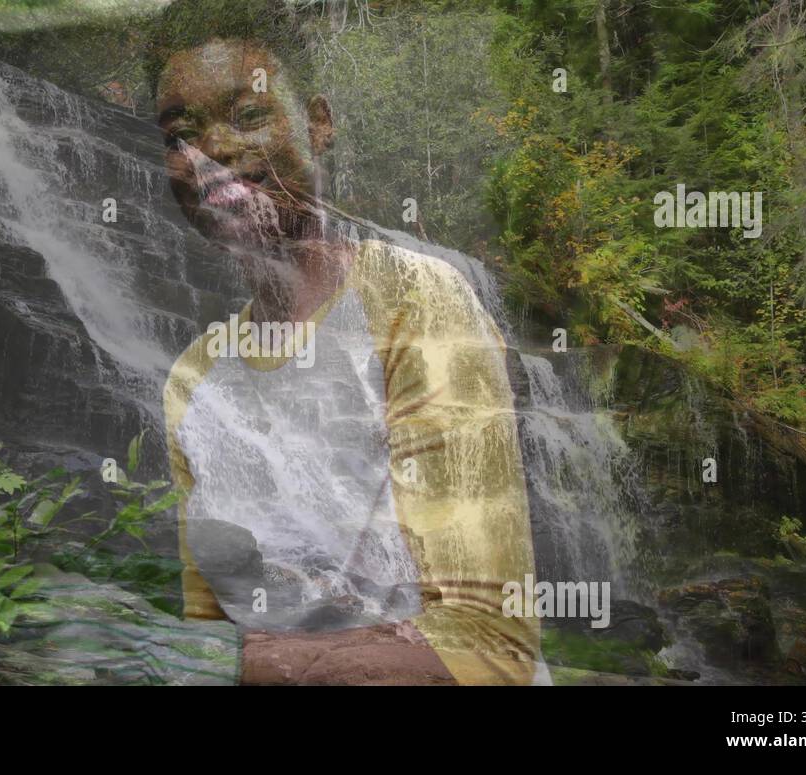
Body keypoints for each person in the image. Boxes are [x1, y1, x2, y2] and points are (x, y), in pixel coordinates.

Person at [151, 0, 542, 685]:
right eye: (179, 135)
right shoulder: (193, 379)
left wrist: (251, 663)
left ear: (319, 123)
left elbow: (488, 644)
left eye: (247, 116)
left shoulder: (416, 300)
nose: (208, 152)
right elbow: (207, 631)